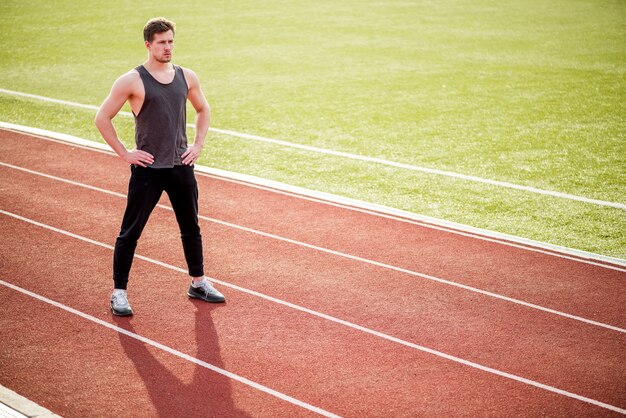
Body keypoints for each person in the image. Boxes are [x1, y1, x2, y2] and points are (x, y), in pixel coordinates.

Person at [95, 17, 225, 316]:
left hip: (181, 166)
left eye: (171, 41)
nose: (168, 47)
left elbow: (203, 109)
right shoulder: (132, 80)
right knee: (131, 231)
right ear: (148, 45)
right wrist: (125, 153)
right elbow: (102, 118)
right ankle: (119, 292)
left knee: (190, 227)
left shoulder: (186, 76)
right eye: (162, 43)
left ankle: (198, 282)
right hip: (148, 170)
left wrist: (198, 145)